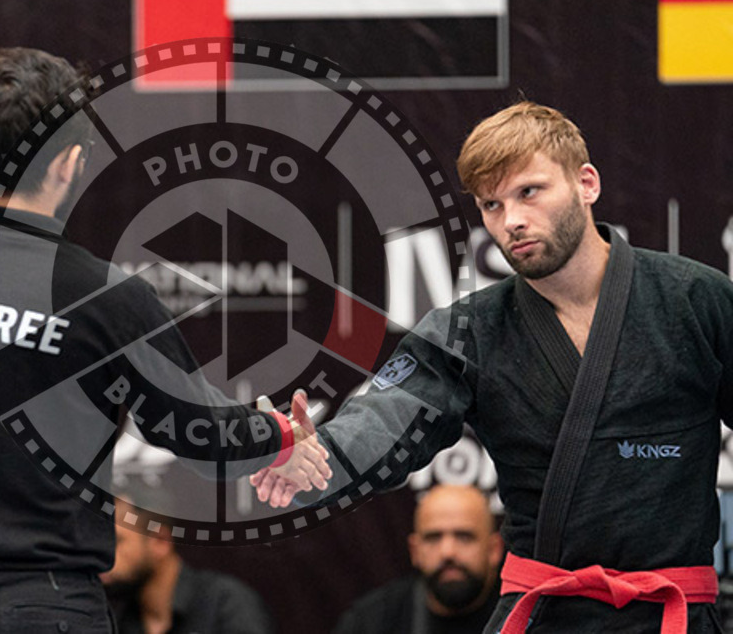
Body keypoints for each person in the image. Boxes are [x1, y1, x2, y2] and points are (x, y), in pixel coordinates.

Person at [0, 47, 329, 633]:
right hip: (45, 608)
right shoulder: (104, 296)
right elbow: (202, 438)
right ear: (70, 162)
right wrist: (278, 436)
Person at [253, 101, 733, 632]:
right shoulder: (471, 330)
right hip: (544, 616)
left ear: (586, 183)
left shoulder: (695, 301)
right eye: (491, 205)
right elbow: (389, 418)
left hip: (673, 615)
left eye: (529, 192)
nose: (512, 221)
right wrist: (320, 454)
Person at [332, 485, 502, 634]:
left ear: (494, 549)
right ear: (415, 551)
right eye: (433, 538)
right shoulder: (370, 623)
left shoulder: (523, 617)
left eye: (464, 537)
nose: (447, 552)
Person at [101, 496, 274, 634]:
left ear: (160, 541)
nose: (103, 556)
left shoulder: (225, 604)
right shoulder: (116, 620)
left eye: (117, 541)